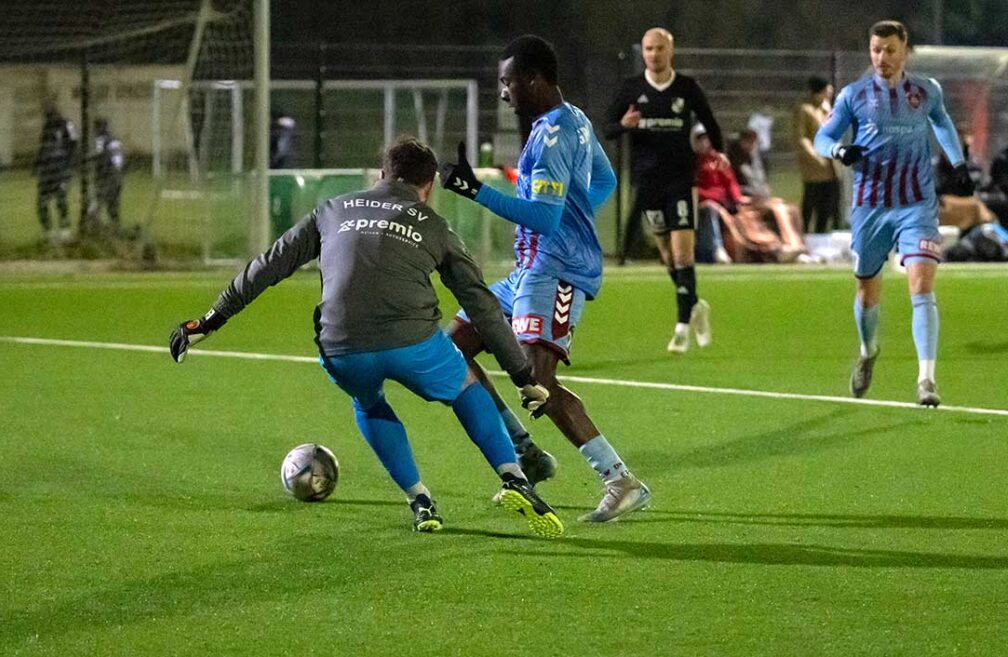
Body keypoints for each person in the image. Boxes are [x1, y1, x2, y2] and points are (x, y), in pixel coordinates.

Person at [168, 137, 564, 538]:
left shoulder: (332, 209)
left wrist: (210, 319)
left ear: (382, 175)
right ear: (428, 187)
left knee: (369, 401)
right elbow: (482, 306)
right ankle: (514, 478)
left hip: (343, 348)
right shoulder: (435, 226)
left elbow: (269, 265)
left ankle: (420, 501)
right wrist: (522, 376)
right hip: (414, 344)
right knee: (465, 386)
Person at [441, 35, 651, 523]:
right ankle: (525, 453)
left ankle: (619, 478)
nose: (503, 92)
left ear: (533, 79)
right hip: (530, 270)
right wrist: (576, 218)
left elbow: (544, 219)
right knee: (451, 349)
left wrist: (477, 191)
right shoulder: (573, 120)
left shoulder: (553, 135)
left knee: (538, 379)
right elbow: (604, 182)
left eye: (507, 81)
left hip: (555, 270)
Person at [814, 20, 974, 407]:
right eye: (875, 50)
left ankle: (926, 380)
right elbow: (823, 136)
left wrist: (959, 163)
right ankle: (868, 352)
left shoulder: (926, 91)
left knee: (921, 284)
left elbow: (943, 123)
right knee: (868, 294)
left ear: (905, 51)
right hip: (870, 206)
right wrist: (839, 152)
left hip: (917, 204)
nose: (881, 58)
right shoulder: (854, 95)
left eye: (889, 50)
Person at [604, 27, 722, 354]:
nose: (653, 54)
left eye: (659, 48)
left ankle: (682, 327)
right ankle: (695, 305)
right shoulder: (632, 89)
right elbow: (608, 126)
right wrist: (623, 126)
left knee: (683, 254)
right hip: (648, 182)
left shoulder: (686, 87)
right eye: (648, 49)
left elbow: (710, 121)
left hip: (681, 180)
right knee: (668, 256)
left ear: (671, 51)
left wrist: (720, 150)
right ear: (643, 52)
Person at [728, 128, 808, 258]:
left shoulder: (757, 161)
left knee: (790, 209)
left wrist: (765, 194)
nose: (750, 145)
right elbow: (734, 187)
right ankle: (789, 244)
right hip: (745, 200)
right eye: (747, 141)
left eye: (752, 142)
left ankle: (799, 246)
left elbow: (763, 183)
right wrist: (750, 195)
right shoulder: (733, 162)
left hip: (761, 198)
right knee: (778, 211)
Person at [795, 76, 840, 233]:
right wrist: (816, 157)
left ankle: (821, 236)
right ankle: (804, 234)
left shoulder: (828, 109)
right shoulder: (805, 110)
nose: (829, 92)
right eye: (826, 89)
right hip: (814, 168)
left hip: (831, 166)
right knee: (810, 203)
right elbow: (801, 138)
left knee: (827, 205)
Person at [35, 105, 77, 235]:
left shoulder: (67, 125)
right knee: (41, 201)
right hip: (48, 169)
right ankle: (48, 230)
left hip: (61, 168)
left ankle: (65, 228)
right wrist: (38, 165)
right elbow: (42, 148)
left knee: (61, 198)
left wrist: (69, 162)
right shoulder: (47, 128)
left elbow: (74, 142)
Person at [90, 118, 125, 229]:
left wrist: (86, 159)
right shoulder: (115, 140)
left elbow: (99, 155)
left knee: (96, 203)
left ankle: (92, 229)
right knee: (113, 205)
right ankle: (115, 227)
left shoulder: (101, 139)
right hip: (118, 175)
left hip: (107, 175)